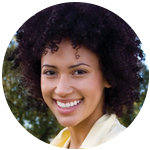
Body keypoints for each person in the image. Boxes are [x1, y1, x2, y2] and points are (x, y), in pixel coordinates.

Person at [8, 2, 147, 149]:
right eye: (50, 72)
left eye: (79, 72)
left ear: (108, 76)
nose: (61, 90)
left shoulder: (124, 145)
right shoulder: (59, 144)